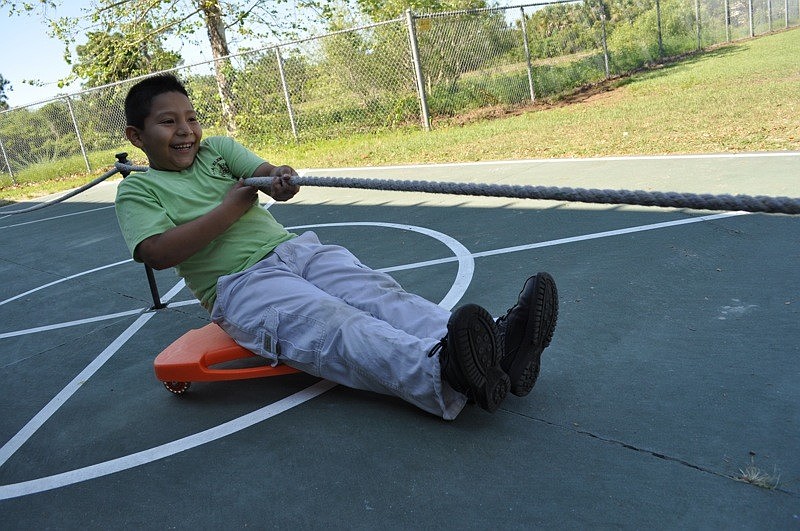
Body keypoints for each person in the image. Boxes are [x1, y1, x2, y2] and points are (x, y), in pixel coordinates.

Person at [115, 74, 558, 420]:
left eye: (190, 117)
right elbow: (158, 252)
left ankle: (498, 349)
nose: (186, 130)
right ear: (138, 136)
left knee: (379, 294)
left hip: (295, 252)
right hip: (240, 286)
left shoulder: (218, 151)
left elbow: (268, 176)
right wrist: (229, 209)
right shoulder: (139, 191)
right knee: (335, 323)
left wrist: (280, 178)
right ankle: (444, 374)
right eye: (168, 122)